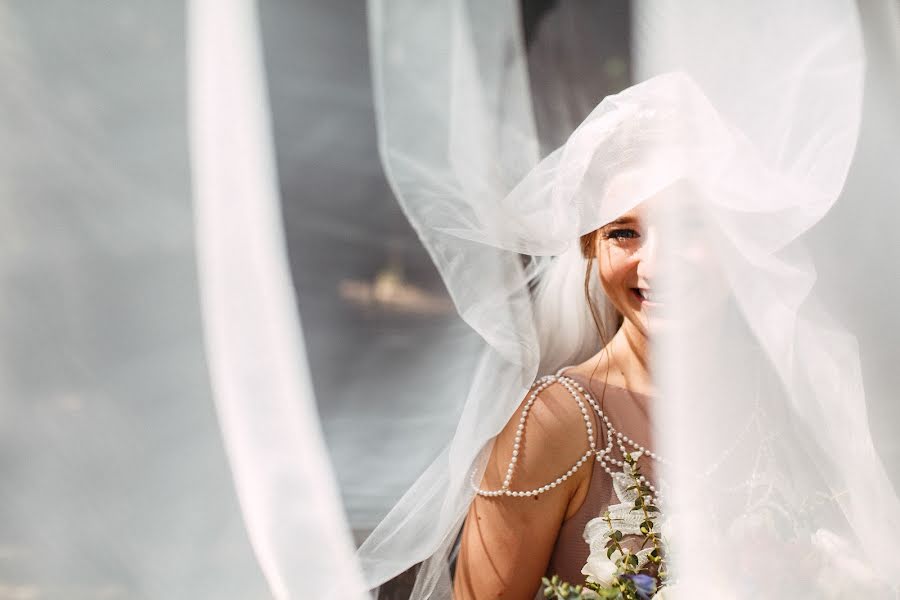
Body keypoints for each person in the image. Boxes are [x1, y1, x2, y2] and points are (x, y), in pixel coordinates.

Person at [453, 203, 663, 599]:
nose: (656, 267)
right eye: (623, 232)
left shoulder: (789, 403)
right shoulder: (554, 420)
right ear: (589, 244)